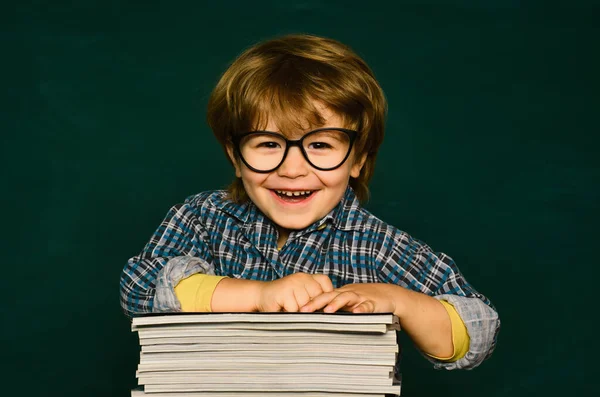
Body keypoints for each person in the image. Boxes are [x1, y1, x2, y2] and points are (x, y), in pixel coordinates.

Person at [120, 34, 499, 370]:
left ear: (358, 159)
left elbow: (476, 330)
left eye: (320, 144)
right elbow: (139, 287)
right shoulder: (203, 217)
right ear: (236, 156)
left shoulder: (375, 246)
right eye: (269, 144)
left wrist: (393, 298)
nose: (293, 168)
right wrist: (257, 296)